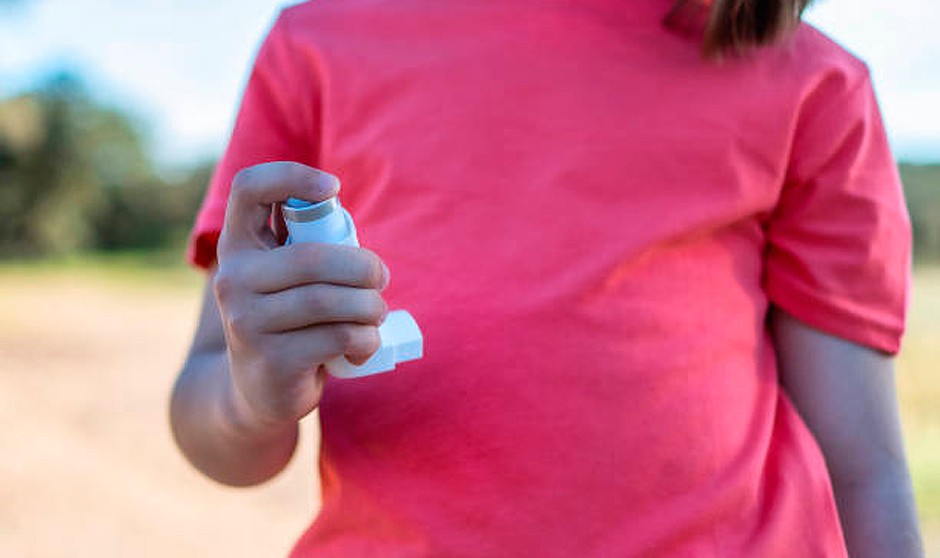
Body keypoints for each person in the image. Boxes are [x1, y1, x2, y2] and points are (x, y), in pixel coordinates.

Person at [169, 0, 925, 555]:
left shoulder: (814, 80)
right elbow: (216, 426)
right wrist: (251, 400)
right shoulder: (318, 43)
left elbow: (864, 474)